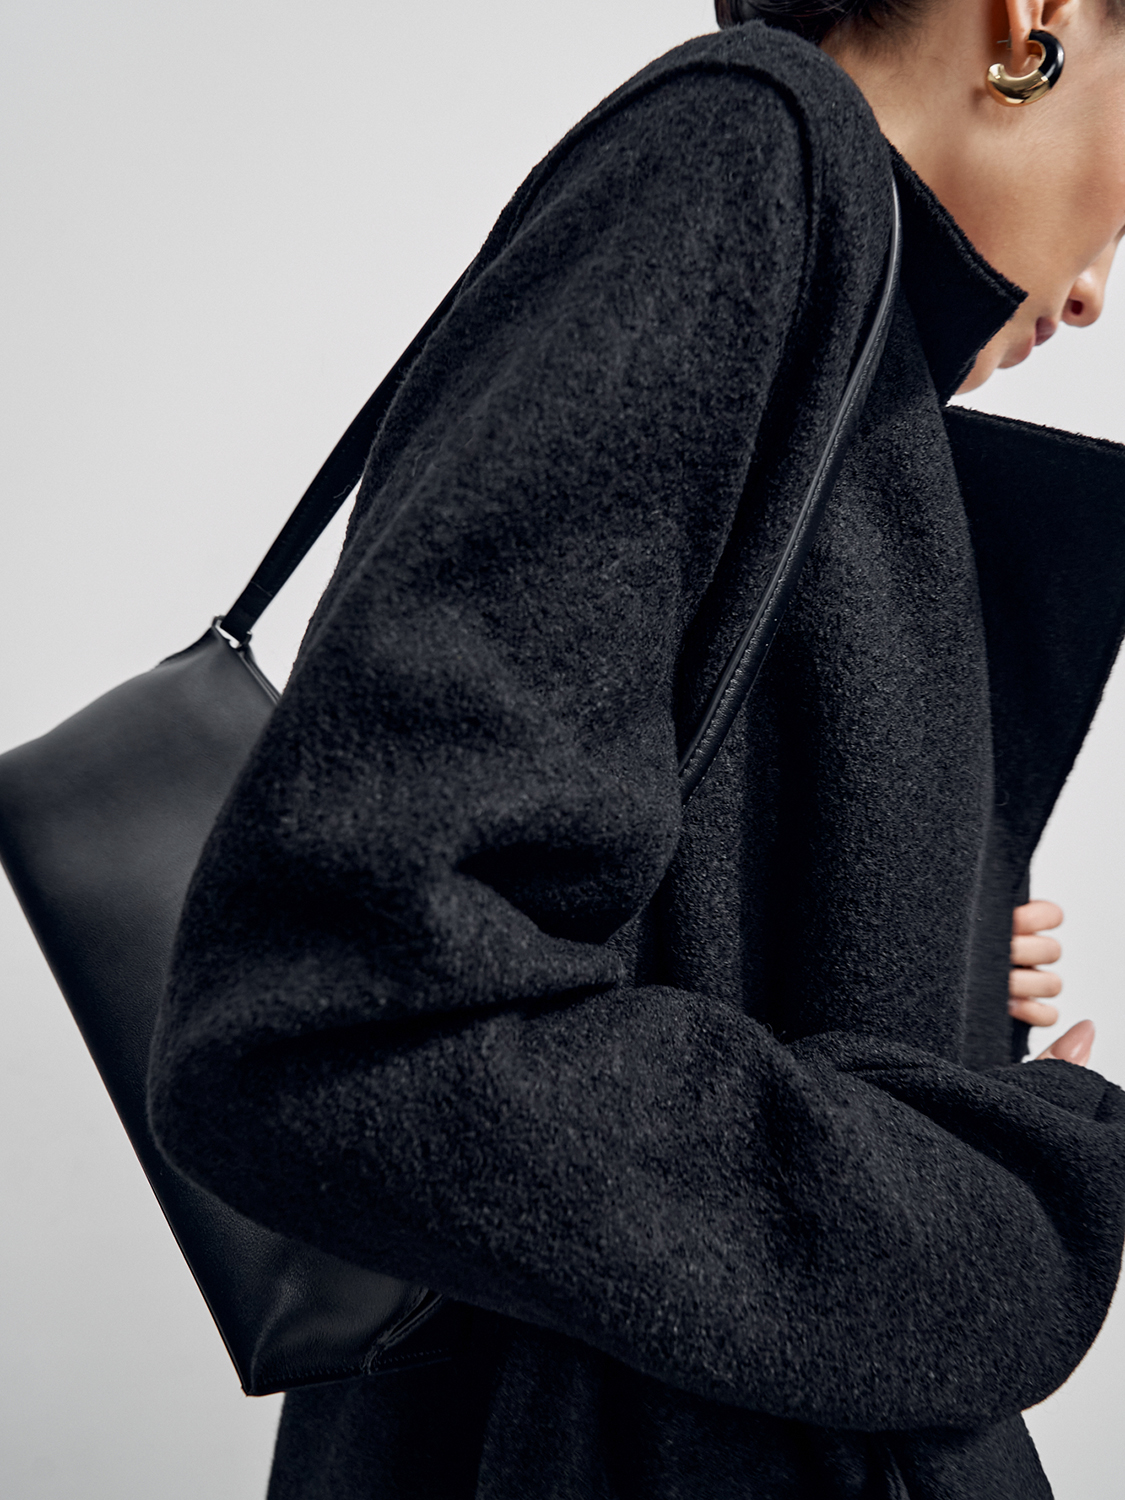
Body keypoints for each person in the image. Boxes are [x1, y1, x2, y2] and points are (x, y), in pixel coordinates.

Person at [147, 1, 1125, 1496]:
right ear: (1035, 15)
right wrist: (999, 1215)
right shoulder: (745, 160)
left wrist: (939, 984)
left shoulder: (840, 344)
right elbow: (338, 1007)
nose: (1097, 293)